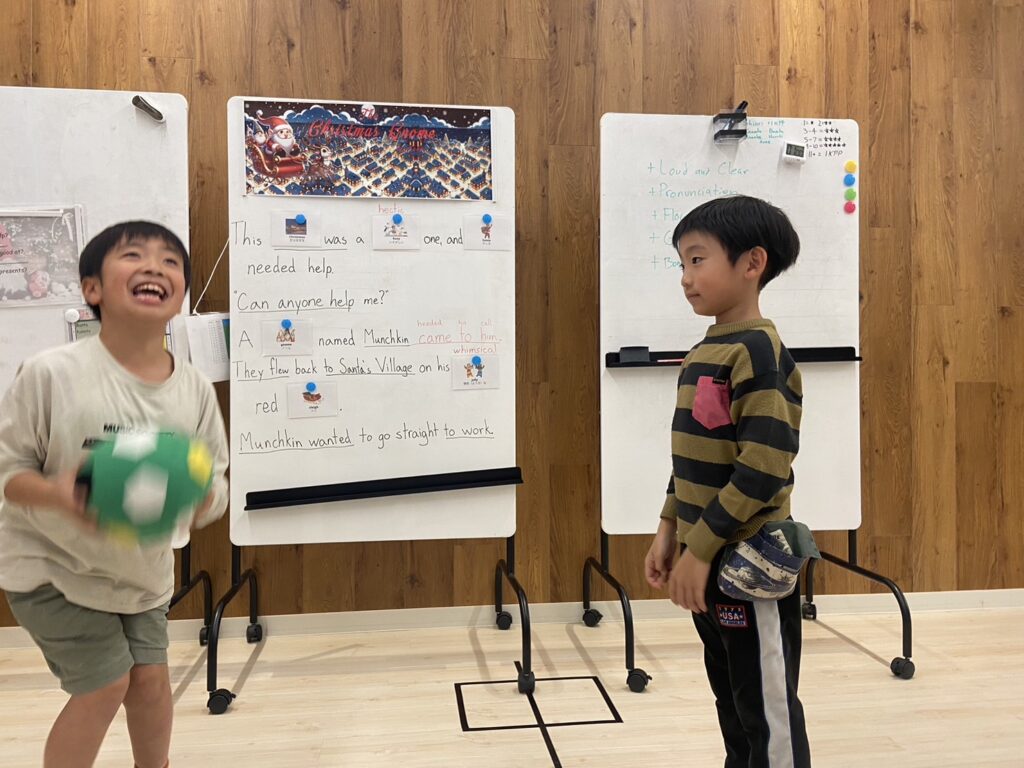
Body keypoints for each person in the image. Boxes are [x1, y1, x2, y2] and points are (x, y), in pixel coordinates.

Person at [0, 221, 229, 768]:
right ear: (92, 288)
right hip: (51, 569)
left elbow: (216, 482)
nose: (154, 266)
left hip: (139, 572)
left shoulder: (194, 389)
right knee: (105, 685)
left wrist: (200, 497)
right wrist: (61, 493)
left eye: (170, 261)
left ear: (181, 293)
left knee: (149, 683)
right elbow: (10, 473)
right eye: (133, 255)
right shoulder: (50, 374)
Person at [644, 196, 812, 767]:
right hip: (707, 559)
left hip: (748, 566)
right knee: (733, 703)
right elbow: (692, 458)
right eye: (682, 264)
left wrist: (700, 550)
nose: (686, 278)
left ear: (751, 263)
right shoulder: (705, 350)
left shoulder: (759, 353)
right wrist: (669, 528)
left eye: (697, 260)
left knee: (766, 711)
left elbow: (762, 470)